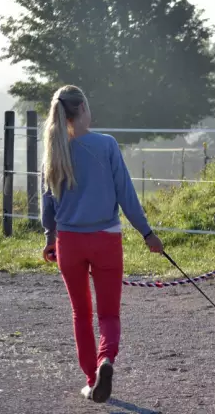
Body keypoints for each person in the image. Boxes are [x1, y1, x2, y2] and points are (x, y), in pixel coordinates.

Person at [40, 85, 163, 403]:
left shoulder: (54, 150)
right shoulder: (106, 144)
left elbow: (48, 204)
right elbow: (126, 194)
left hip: (69, 243)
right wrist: (147, 234)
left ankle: (92, 379)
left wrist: (49, 239)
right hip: (107, 240)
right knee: (108, 315)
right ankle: (106, 359)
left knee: (81, 313)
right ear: (82, 108)